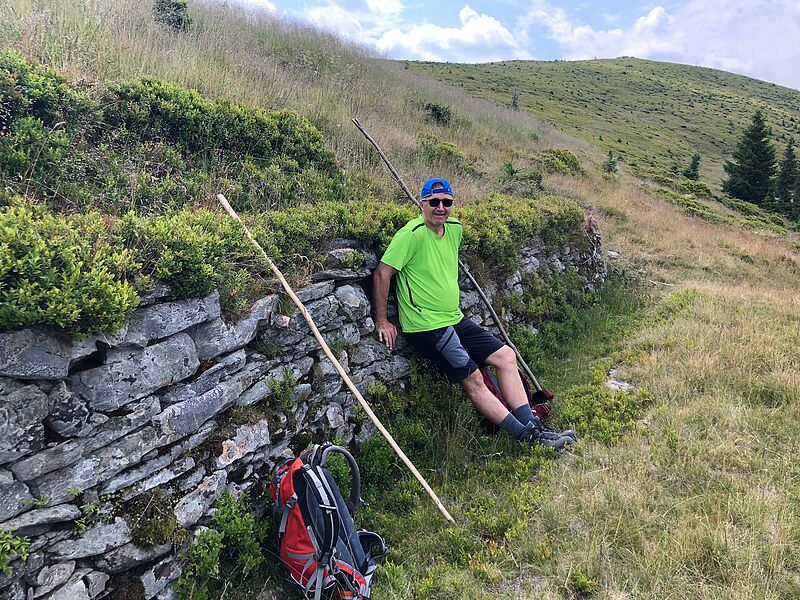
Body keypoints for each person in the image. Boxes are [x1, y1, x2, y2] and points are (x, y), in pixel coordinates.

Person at [372, 178, 576, 449]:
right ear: (422, 204)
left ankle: (534, 425)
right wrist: (382, 320)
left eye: (447, 202)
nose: (441, 208)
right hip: (427, 325)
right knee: (474, 379)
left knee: (505, 356)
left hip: (453, 318)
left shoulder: (454, 229)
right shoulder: (411, 235)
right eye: (434, 202)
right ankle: (530, 439)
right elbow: (382, 274)